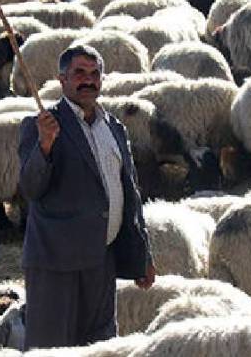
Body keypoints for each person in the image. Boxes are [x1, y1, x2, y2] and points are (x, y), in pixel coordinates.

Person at [17, 44, 156, 350]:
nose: (88, 80)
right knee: (53, 349)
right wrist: (45, 146)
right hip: (57, 263)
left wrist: (141, 255)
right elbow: (30, 188)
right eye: (79, 73)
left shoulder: (114, 128)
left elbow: (129, 194)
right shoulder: (42, 125)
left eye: (95, 74)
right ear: (62, 79)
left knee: (99, 349)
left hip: (100, 259)